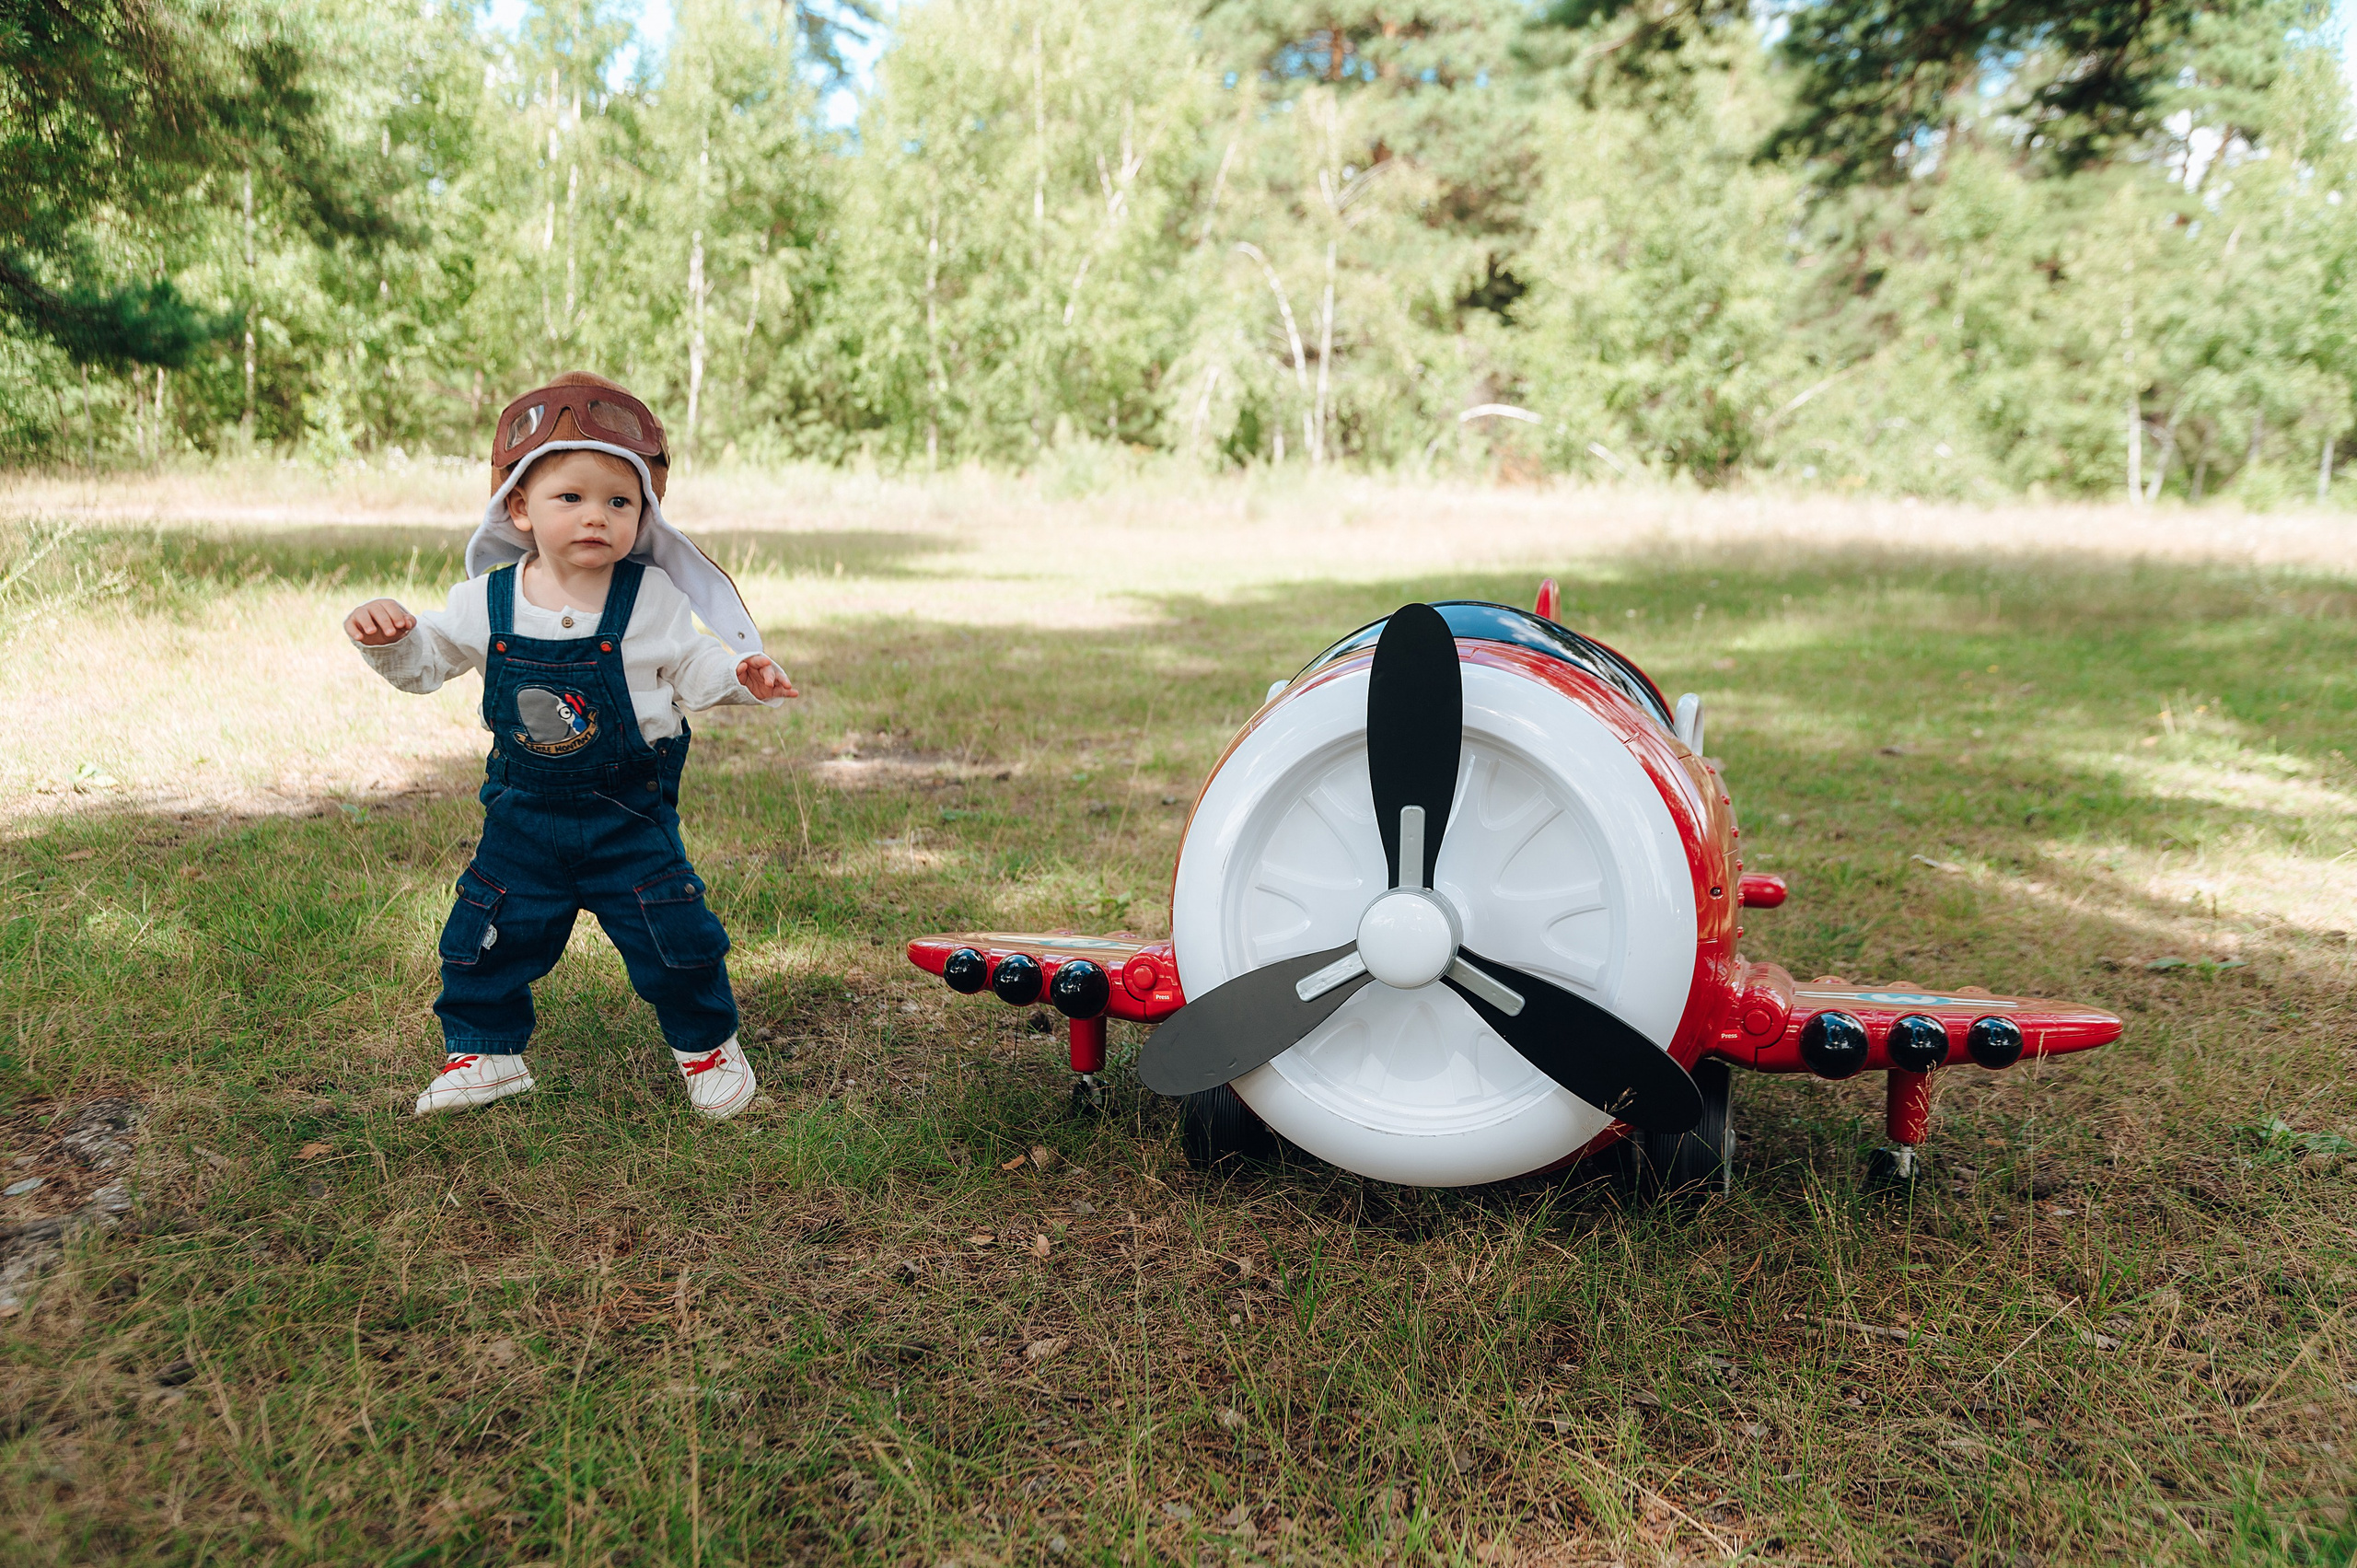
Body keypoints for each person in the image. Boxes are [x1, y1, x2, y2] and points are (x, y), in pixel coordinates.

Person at [343, 371, 796, 1121]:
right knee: (488, 932)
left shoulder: (651, 599)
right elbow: (426, 666)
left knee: (673, 934)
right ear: (520, 507)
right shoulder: (484, 600)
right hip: (523, 815)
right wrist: (390, 639)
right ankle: (485, 1052)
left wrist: (739, 674)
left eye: (619, 502)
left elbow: (691, 665)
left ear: (643, 516)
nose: (596, 516)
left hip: (628, 817)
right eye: (571, 497)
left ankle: (707, 1047)